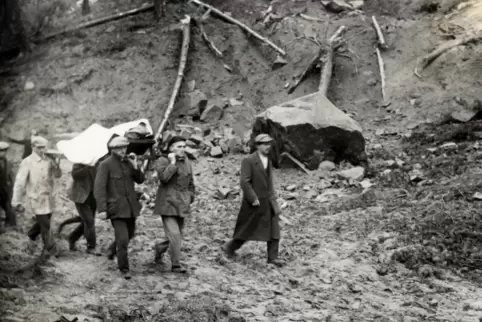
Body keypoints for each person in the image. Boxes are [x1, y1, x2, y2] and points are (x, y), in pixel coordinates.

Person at [222, 134, 285, 267]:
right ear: (257, 146)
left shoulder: (269, 160)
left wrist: (274, 201)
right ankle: (229, 248)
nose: (268, 146)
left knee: (274, 229)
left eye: (269, 143)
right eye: (264, 144)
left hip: (268, 201)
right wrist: (253, 198)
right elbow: (244, 182)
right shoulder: (249, 160)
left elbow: (270, 183)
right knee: (247, 228)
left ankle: (273, 257)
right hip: (254, 202)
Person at [94, 136, 144, 279]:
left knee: (130, 234)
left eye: (124, 148)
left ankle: (111, 250)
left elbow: (140, 180)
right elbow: (99, 188)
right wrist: (102, 209)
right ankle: (124, 268)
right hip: (116, 208)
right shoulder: (105, 164)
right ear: (113, 149)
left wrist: (135, 165)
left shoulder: (128, 162)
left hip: (130, 208)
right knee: (122, 239)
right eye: (120, 148)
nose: (123, 151)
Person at [11, 136, 62, 255]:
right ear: (33, 147)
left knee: (43, 222)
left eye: (44, 147)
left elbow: (58, 175)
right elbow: (20, 182)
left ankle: (30, 236)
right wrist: (16, 201)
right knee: (45, 224)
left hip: (48, 198)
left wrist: (57, 164)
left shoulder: (48, 160)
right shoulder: (27, 162)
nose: (42, 150)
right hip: (35, 198)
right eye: (39, 147)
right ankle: (51, 249)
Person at [153, 136, 195, 274]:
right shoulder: (163, 160)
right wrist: (172, 162)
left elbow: (190, 182)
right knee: (175, 235)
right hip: (167, 203)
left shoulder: (187, 161)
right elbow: (164, 178)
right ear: (171, 148)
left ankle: (159, 248)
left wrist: (190, 196)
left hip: (182, 204)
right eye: (179, 146)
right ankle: (176, 265)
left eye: (184, 146)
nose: (182, 149)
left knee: (175, 236)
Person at [67, 163, 99, 255]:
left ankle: (72, 237)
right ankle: (91, 247)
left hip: (93, 197)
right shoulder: (80, 161)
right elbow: (75, 175)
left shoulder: (98, 161)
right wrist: (87, 167)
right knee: (89, 221)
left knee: (88, 221)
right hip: (81, 197)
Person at [0, 141, 16, 228]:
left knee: (9, 207)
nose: (3, 153)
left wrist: (11, 186)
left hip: (6, 188)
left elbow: (10, 175)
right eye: (1, 151)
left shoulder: (8, 162)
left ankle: (10, 225)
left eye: (4, 151)